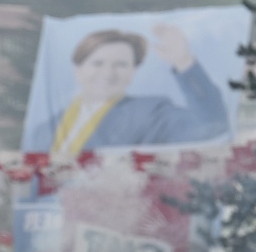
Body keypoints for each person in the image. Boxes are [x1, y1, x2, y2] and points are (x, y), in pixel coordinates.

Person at [48, 26, 229, 158]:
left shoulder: (151, 113)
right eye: (98, 63)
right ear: (78, 70)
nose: (108, 73)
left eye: (121, 64)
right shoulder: (46, 127)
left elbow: (211, 126)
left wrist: (184, 63)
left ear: (132, 72)